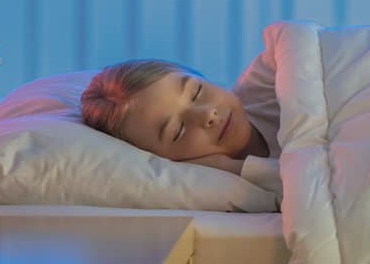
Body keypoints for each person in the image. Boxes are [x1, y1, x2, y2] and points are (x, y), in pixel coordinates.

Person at [80, 58, 283, 200]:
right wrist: (233, 169)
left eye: (196, 92)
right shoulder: (224, 189)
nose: (206, 115)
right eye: (177, 131)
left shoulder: (274, 78)